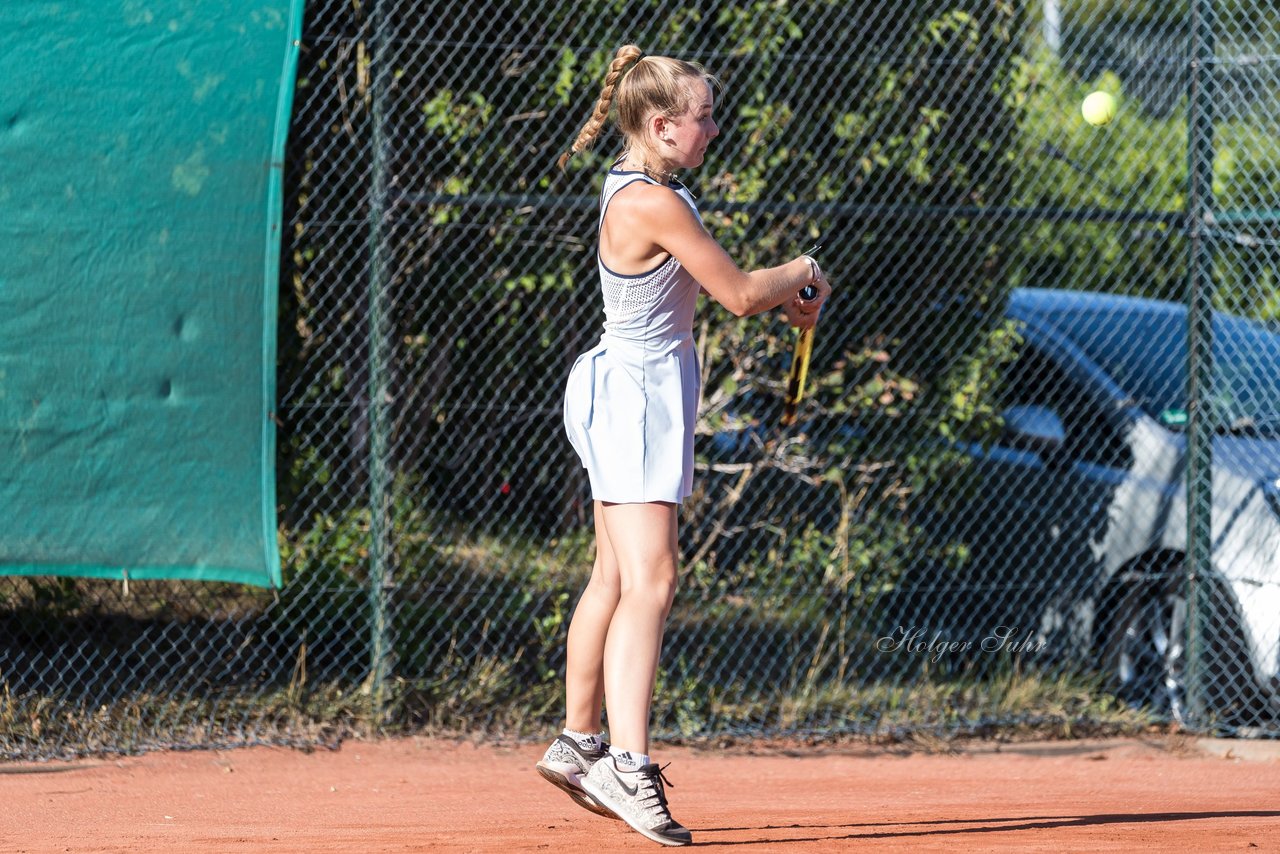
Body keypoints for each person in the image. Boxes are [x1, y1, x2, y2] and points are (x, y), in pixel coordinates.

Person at [535, 43, 832, 848]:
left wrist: (785, 300)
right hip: (632, 401)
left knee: (613, 576)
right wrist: (802, 270)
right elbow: (737, 294)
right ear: (662, 126)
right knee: (653, 583)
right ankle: (629, 767)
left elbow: (731, 292)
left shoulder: (652, 190)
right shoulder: (652, 202)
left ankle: (578, 742)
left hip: (631, 395)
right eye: (702, 117)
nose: (713, 128)